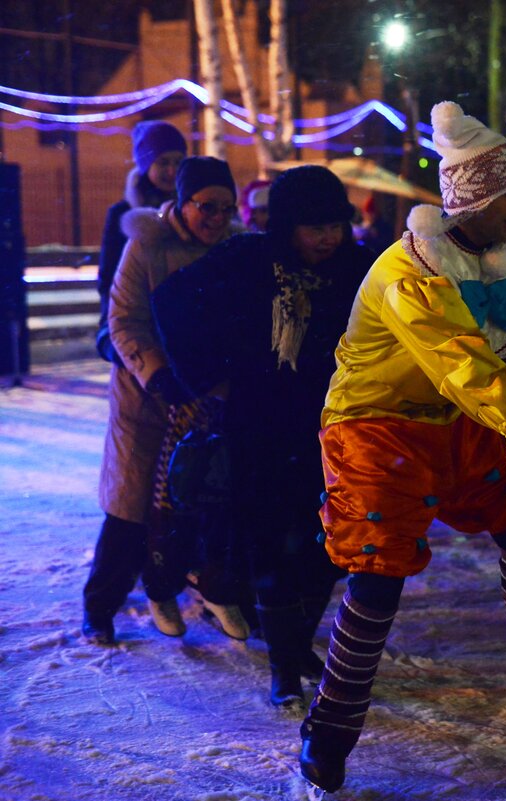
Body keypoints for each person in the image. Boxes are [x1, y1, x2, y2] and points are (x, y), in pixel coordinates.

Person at [297, 101, 506, 793]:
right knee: (379, 570)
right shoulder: (411, 270)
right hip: (377, 422)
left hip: (460, 417)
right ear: (475, 200)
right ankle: (330, 724)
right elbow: (462, 362)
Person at [153, 165, 374, 707]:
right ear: (288, 225)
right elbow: (172, 300)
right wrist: (209, 377)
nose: (327, 238)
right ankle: (283, 666)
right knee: (269, 545)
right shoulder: (249, 258)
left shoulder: (358, 267)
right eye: (314, 227)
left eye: (335, 225)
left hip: (334, 429)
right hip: (260, 426)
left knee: (329, 546)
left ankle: (296, 645)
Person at [83, 156, 240, 645]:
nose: (217, 218)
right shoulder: (147, 243)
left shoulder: (234, 247)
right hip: (145, 398)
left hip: (204, 399)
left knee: (195, 499)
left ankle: (184, 587)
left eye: (226, 208)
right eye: (207, 207)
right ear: (183, 202)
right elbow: (124, 318)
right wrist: (157, 375)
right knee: (131, 505)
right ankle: (100, 606)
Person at [96, 121, 187, 364]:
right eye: (163, 162)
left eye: (178, 162)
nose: (172, 170)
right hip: (138, 318)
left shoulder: (193, 211)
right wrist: (110, 322)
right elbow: (109, 275)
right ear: (147, 165)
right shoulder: (123, 213)